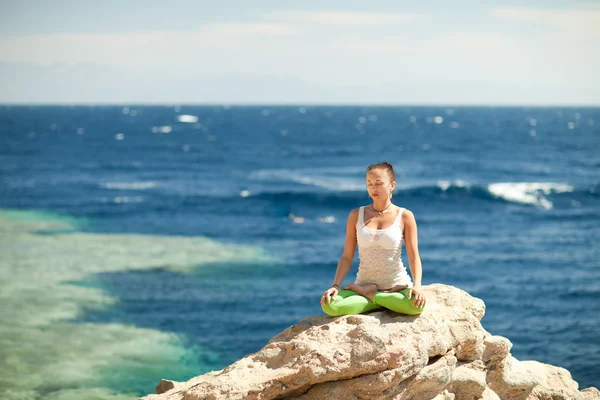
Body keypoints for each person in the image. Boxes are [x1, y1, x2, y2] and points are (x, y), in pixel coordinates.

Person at [320, 161, 426, 316]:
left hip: (397, 286)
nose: (373, 189)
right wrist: (335, 285)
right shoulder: (356, 215)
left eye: (378, 183)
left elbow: (413, 255)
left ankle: (373, 296)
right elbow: (347, 256)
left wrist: (417, 285)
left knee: (416, 306)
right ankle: (378, 298)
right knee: (330, 305)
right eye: (369, 184)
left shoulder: (405, 216)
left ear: (392, 185)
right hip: (362, 285)